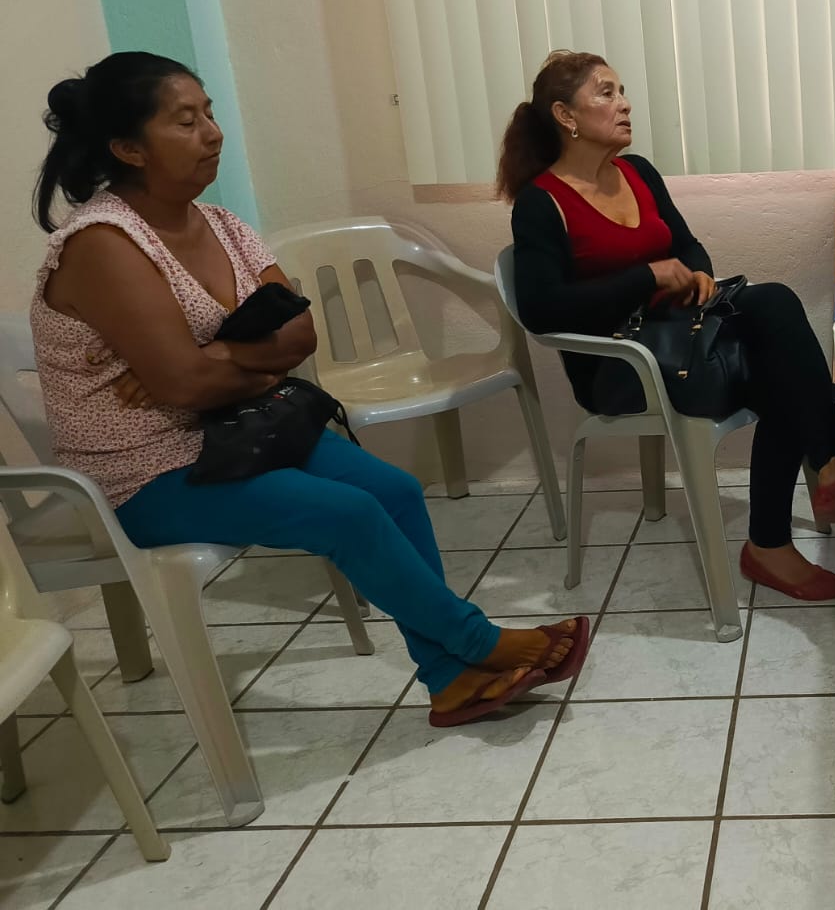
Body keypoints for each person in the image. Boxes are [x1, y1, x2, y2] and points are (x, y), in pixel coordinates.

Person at [30, 51, 588, 728]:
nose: (213, 132)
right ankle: (475, 644)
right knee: (347, 515)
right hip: (141, 473)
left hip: (238, 428)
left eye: (210, 112)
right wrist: (223, 367)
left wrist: (217, 358)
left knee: (395, 491)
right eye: (186, 120)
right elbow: (185, 380)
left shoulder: (223, 224)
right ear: (128, 148)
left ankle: (448, 680)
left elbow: (299, 336)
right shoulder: (104, 243)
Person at [502, 50, 835, 601]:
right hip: (620, 365)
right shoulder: (541, 203)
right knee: (778, 366)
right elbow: (542, 310)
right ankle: (809, 493)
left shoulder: (638, 172)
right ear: (566, 116)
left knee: (774, 310)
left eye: (622, 91)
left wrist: (698, 274)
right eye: (606, 93)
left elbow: (686, 244)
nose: (624, 103)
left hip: (680, 336)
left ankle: (814, 489)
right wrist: (647, 278)